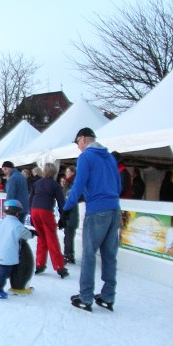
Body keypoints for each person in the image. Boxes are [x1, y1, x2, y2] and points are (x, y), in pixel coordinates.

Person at [63, 127, 121, 312]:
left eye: (77, 142)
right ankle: (108, 296)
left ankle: (86, 297)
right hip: (114, 209)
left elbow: (78, 185)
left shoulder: (86, 157)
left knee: (89, 254)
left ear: (83, 139)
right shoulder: (110, 157)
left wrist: (66, 207)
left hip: (97, 211)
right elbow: (118, 185)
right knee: (109, 255)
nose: (78, 147)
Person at [30, 163, 69, 278]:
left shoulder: (37, 183)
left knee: (41, 238)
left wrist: (31, 214)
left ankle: (39, 264)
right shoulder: (55, 185)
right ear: (54, 172)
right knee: (51, 239)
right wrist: (63, 217)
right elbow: (61, 203)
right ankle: (59, 267)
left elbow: (30, 199)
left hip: (34, 210)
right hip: (45, 211)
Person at [0, 199, 32, 299]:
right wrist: (31, 233)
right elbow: (26, 235)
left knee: (1, 271)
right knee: (4, 272)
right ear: (17, 212)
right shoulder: (16, 224)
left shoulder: (2, 222)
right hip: (9, 254)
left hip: (0, 251)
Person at [59, 166, 79, 264]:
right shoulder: (69, 182)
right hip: (71, 214)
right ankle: (70, 254)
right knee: (69, 235)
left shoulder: (72, 184)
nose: (66, 174)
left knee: (68, 235)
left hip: (70, 214)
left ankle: (67, 254)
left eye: (67, 172)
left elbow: (66, 197)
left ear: (72, 173)